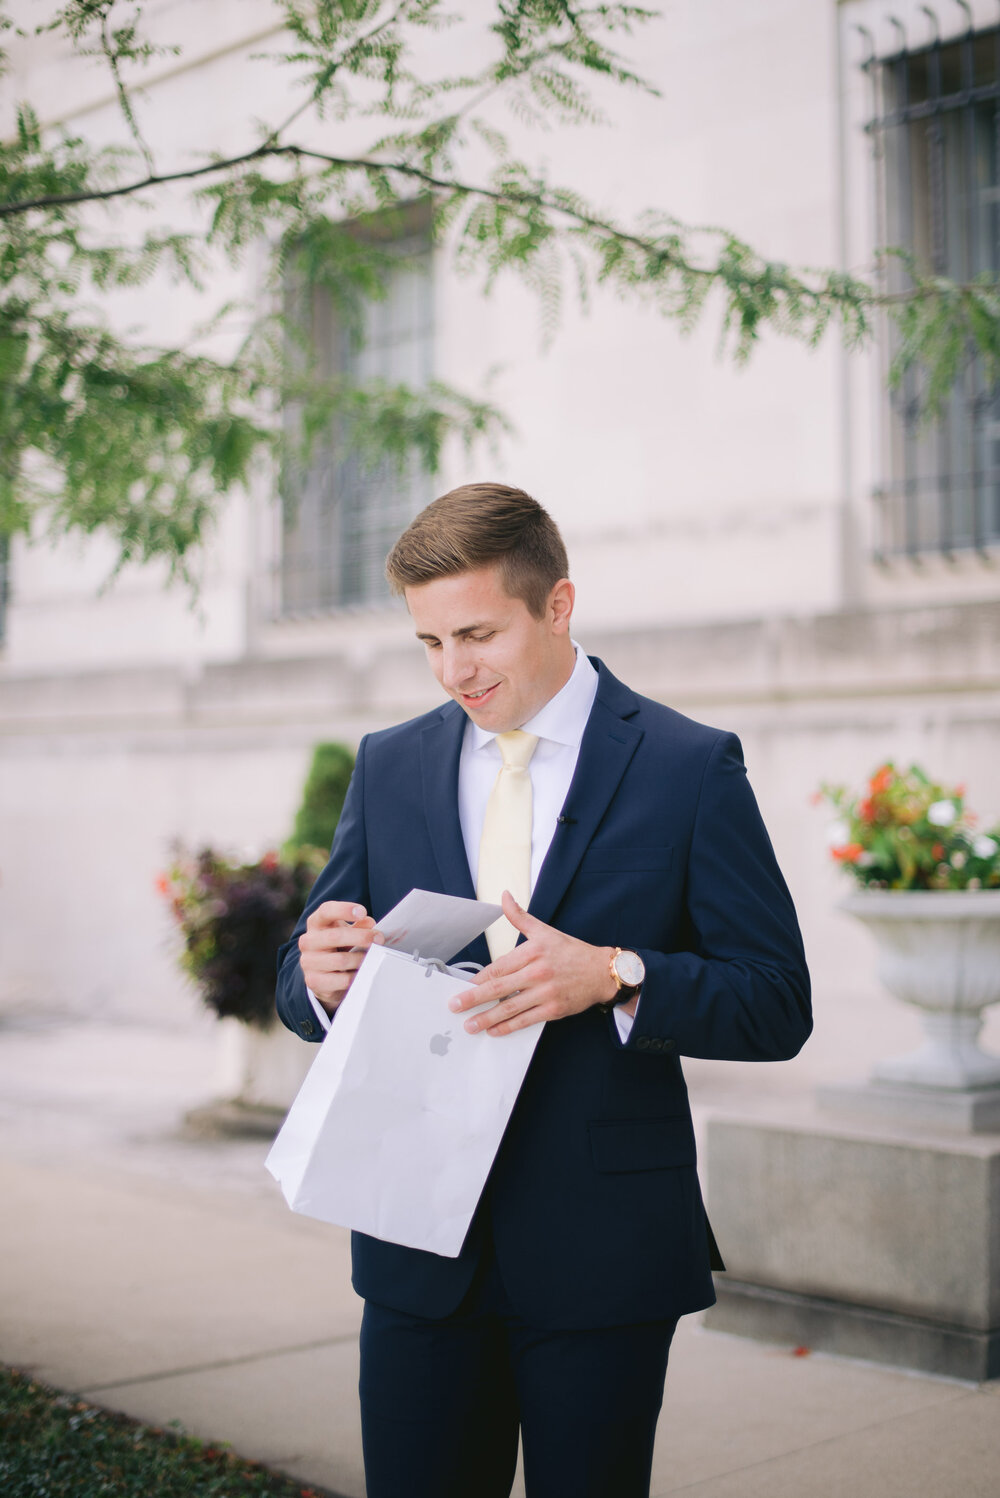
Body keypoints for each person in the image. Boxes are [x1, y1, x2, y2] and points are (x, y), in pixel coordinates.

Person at [275, 482, 811, 1498]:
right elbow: (304, 977)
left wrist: (615, 974)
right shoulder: (390, 764)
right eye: (428, 642)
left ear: (557, 606)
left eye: (476, 633)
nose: (453, 670)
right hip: (415, 1249)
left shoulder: (689, 767)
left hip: (600, 1251)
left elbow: (777, 1001)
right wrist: (320, 975)